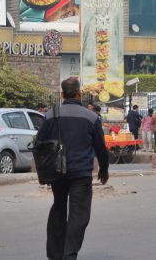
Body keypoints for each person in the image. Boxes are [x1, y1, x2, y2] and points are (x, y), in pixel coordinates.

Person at [38, 77, 109, 260]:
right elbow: (101, 147)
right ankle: (69, 254)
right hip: (81, 174)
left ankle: (55, 255)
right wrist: (104, 169)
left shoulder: (50, 115)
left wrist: (42, 173)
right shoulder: (92, 117)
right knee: (79, 215)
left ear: (62, 94)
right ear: (79, 94)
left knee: (58, 208)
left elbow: (39, 145)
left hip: (57, 173)